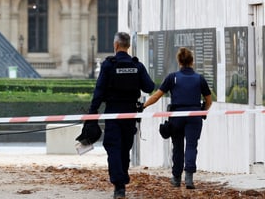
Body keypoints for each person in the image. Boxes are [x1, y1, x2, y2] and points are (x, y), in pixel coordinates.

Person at [86, 32, 155, 199]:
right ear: (128, 46)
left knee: (113, 147)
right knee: (124, 148)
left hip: (113, 113)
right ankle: (122, 177)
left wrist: (92, 111)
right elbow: (149, 87)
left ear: (116, 45)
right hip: (130, 113)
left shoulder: (109, 65)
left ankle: (119, 185)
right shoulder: (136, 65)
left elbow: (99, 91)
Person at [143, 47, 212, 189]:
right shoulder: (200, 79)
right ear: (192, 61)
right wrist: (202, 111)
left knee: (178, 147)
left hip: (177, 116)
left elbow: (156, 96)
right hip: (194, 116)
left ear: (179, 61)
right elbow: (209, 100)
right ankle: (189, 179)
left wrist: (143, 106)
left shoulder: (172, 77)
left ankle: (176, 178)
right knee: (192, 146)